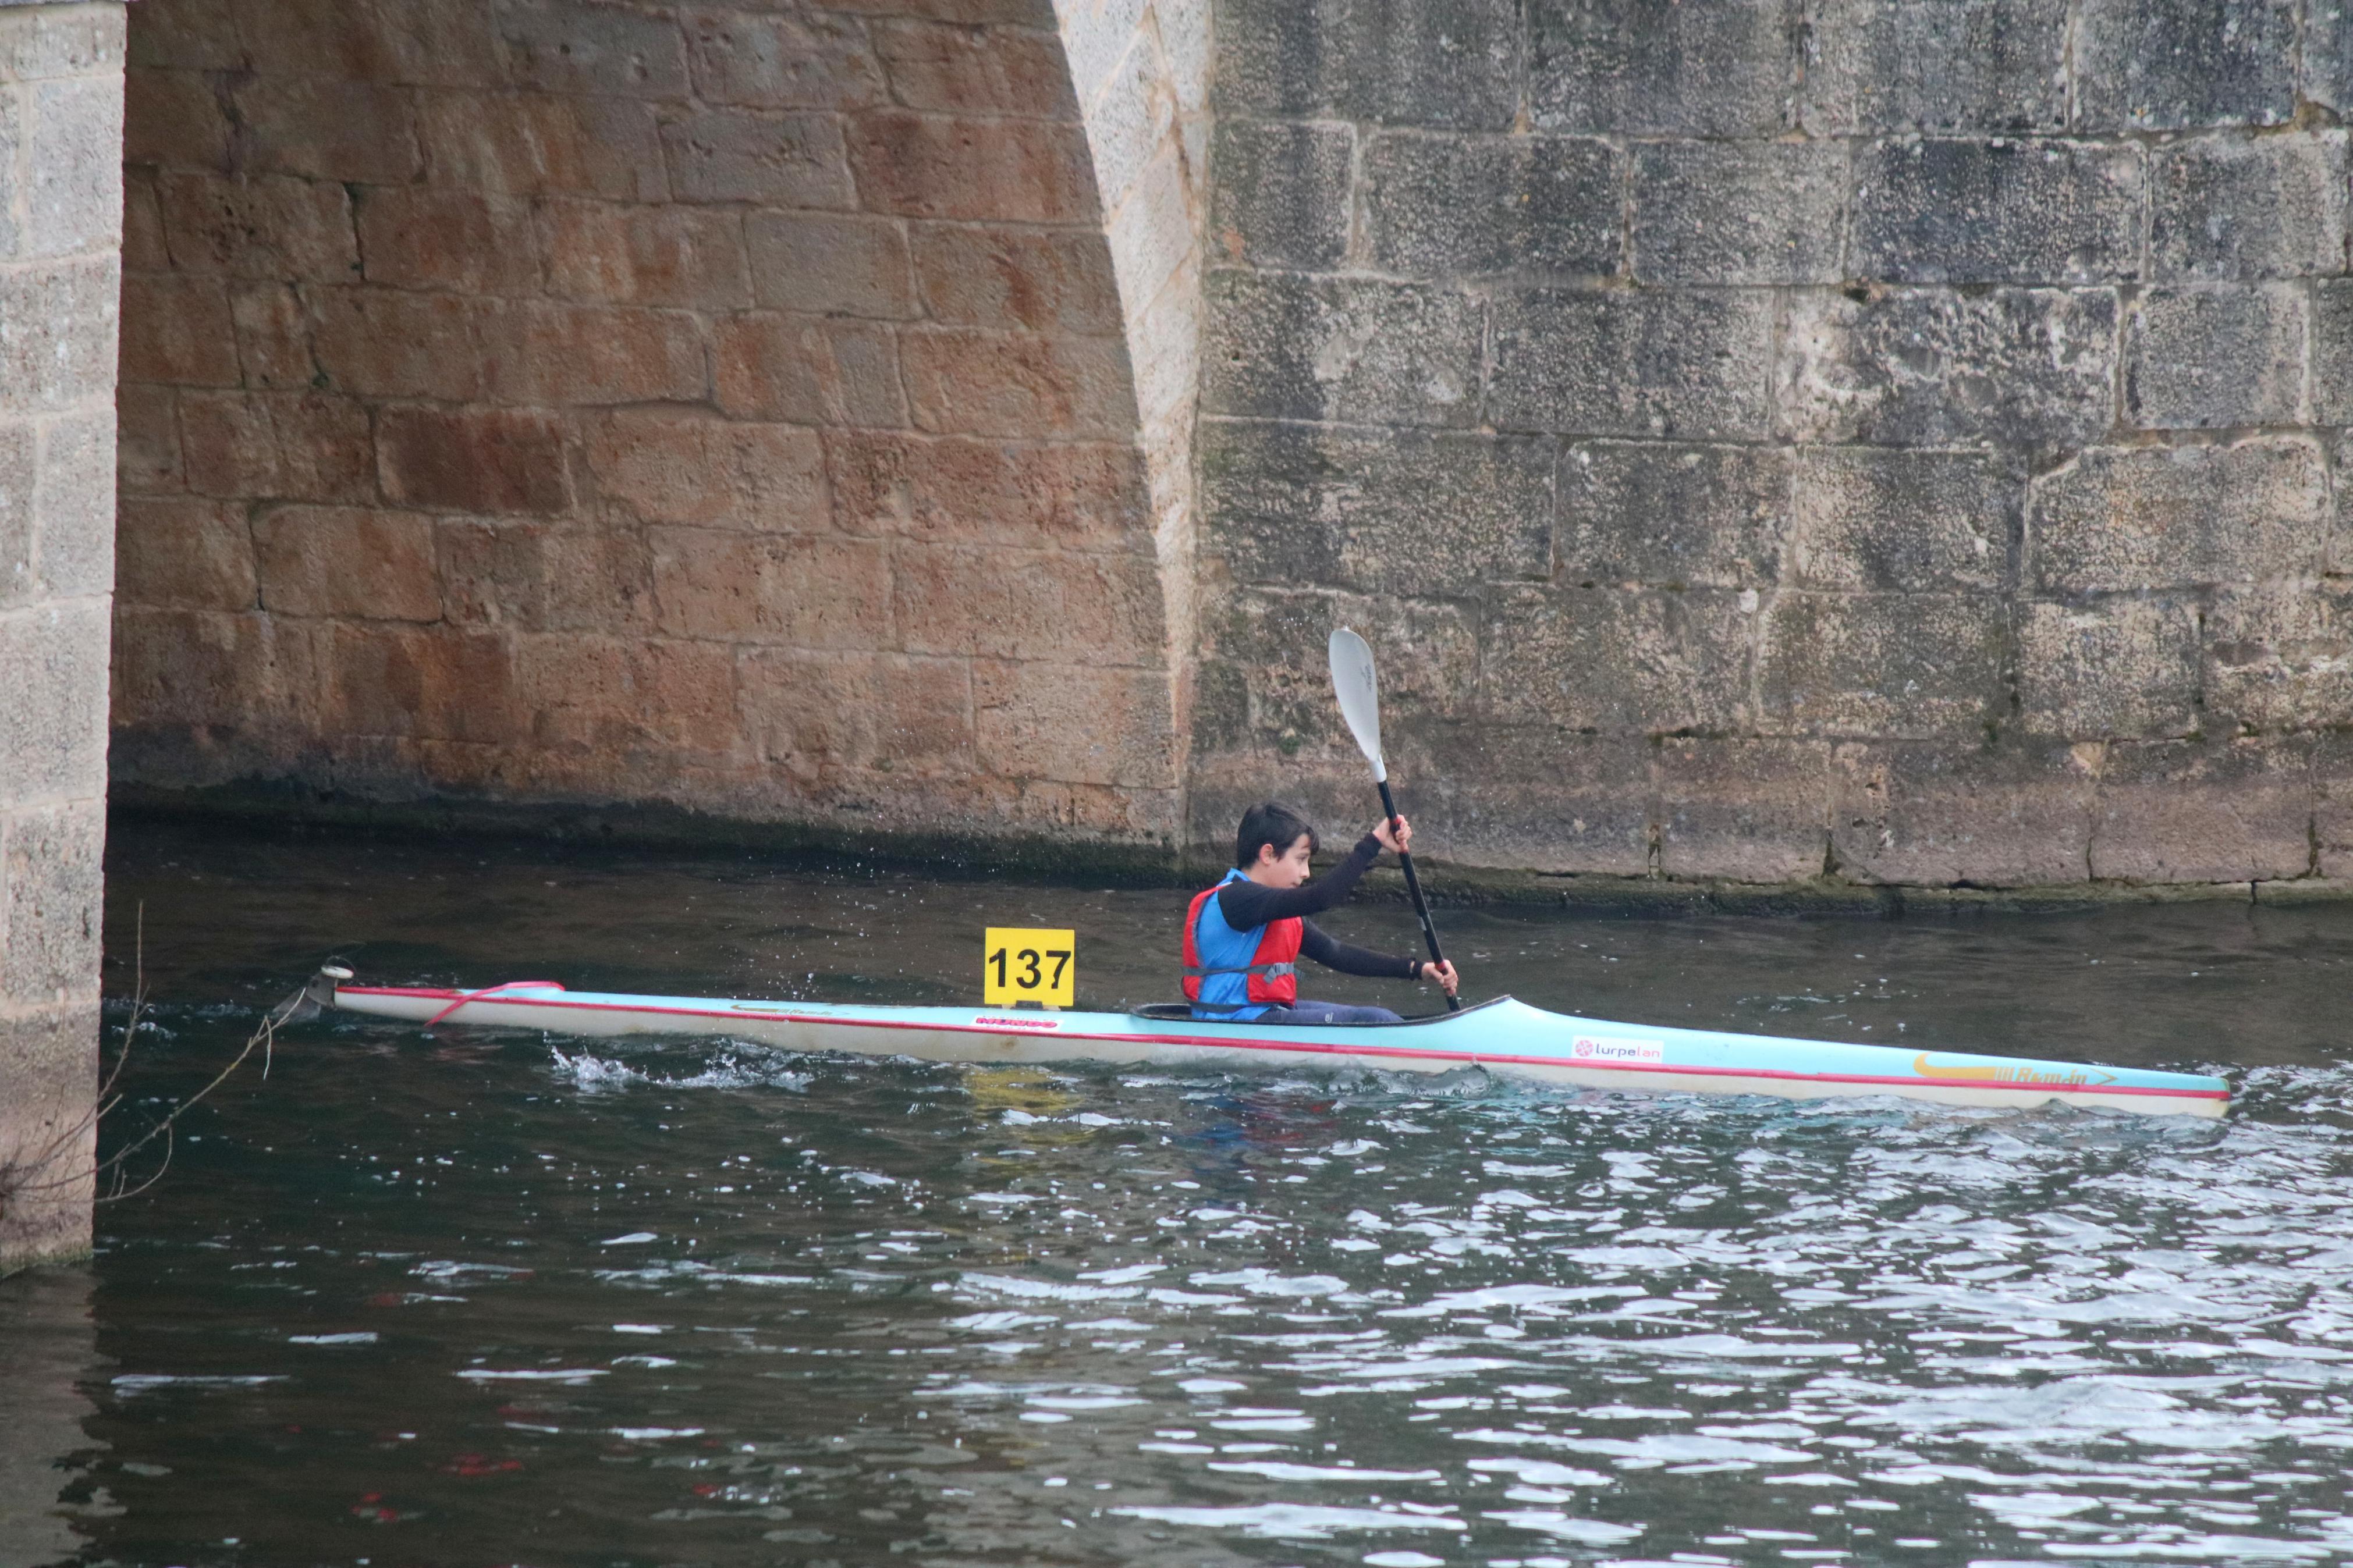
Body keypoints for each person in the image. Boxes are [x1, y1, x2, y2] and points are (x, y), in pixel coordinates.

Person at [1182, 801, 1461, 1024]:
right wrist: (1373, 843)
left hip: (1260, 1015)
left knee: (1376, 1016)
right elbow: (1323, 898)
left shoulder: (1270, 911)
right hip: (1232, 1024)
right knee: (1374, 1020)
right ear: (1267, 855)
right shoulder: (1238, 898)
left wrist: (1417, 969)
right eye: (1301, 860)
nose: (1306, 873)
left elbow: (1335, 953)